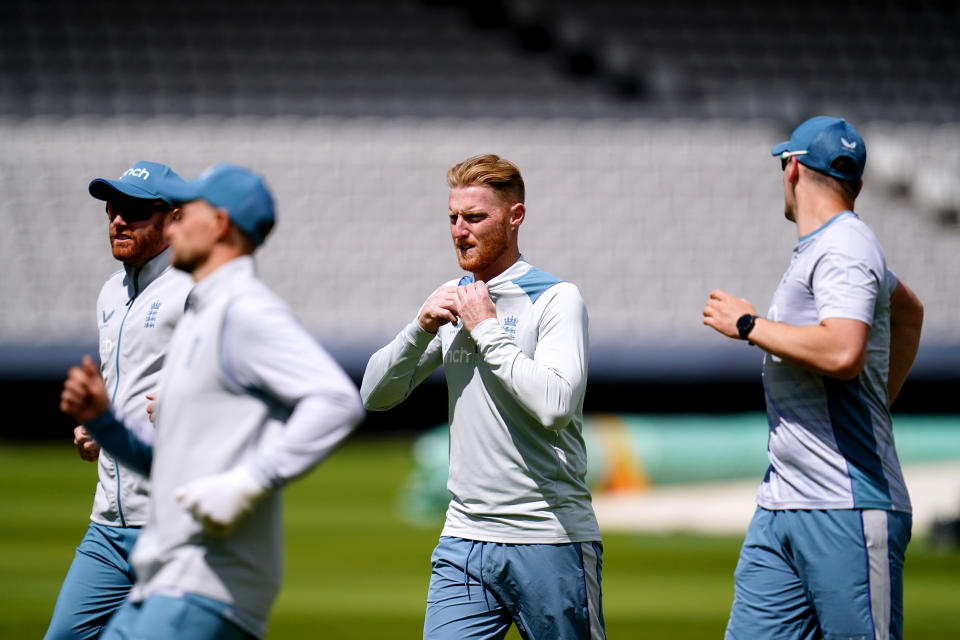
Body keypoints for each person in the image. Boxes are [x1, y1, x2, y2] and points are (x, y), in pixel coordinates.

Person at [60, 163, 364, 640]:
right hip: (166, 569)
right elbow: (172, 459)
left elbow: (337, 400)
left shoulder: (245, 308)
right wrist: (106, 424)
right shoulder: (205, 306)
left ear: (218, 224)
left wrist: (248, 481)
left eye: (187, 214)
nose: (174, 224)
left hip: (205, 578)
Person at [361, 154, 605, 640]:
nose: (459, 230)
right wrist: (419, 328)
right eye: (453, 217)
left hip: (546, 535)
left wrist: (488, 329)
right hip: (464, 538)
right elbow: (374, 395)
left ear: (515, 217)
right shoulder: (453, 296)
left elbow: (555, 405)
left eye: (475, 217)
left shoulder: (556, 298)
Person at [702, 116, 924, 640]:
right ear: (859, 185)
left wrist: (750, 325)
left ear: (793, 168)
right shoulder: (839, 246)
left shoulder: (845, 247)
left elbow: (844, 350)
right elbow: (910, 311)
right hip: (785, 500)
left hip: (845, 503)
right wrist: (878, 401)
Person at [45, 161, 193, 639]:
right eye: (112, 208)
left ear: (173, 219)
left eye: (133, 210)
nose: (117, 221)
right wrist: (98, 425)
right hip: (106, 526)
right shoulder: (110, 292)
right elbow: (123, 387)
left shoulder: (198, 289)